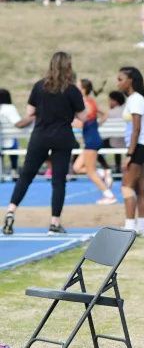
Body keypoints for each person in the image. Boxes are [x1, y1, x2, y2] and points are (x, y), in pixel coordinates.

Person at [3, 52, 87, 236]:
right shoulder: (72, 90)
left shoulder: (39, 86)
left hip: (40, 135)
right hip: (62, 136)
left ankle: (11, 211)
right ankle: (54, 223)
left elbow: (29, 112)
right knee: (58, 181)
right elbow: (83, 116)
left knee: (26, 175)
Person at [117, 67, 144, 237]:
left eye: (121, 79)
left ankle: (130, 227)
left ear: (130, 81)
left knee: (126, 187)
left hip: (138, 146)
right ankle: (142, 228)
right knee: (140, 189)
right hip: (140, 145)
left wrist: (130, 154)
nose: (118, 83)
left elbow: (137, 128)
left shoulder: (136, 99)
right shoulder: (134, 99)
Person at [72, 78, 116, 205]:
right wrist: (96, 125)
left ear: (83, 89)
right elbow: (105, 114)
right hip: (92, 139)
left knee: (91, 172)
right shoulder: (90, 101)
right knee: (76, 168)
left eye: (77, 86)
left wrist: (64, 123)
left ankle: (109, 195)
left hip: (91, 140)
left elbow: (80, 124)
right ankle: (103, 173)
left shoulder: (85, 104)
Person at [103, 91, 126, 175]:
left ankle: (106, 167)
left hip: (114, 142)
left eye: (110, 100)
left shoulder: (110, 113)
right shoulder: (125, 112)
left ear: (115, 101)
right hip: (125, 141)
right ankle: (118, 167)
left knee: (95, 145)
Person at [0, 89, 22, 175]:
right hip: (9, 142)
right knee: (13, 141)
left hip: (2, 140)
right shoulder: (9, 108)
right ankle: (14, 167)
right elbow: (18, 123)